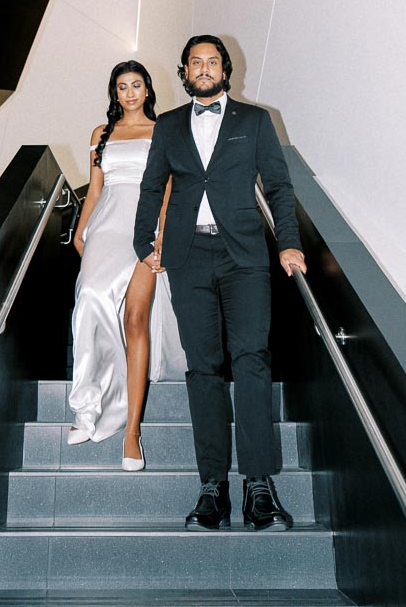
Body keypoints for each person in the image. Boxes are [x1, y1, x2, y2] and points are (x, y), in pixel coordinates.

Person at [133, 35, 307, 530]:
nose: (204, 69)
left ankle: (258, 485)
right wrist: (143, 242)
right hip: (187, 257)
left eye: (213, 61)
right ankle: (212, 486)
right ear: (185, 72)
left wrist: (288, 242)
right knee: (203, 368)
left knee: (251, 359)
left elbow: (278, 185)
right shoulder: (169, 125)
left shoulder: (254, 121)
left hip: (244, 257)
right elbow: (151, 185)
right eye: (196, 62)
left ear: (226, 70)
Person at [69, 60, 185, 470]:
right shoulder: (100, 134)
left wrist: (163, 235)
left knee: (135, 320)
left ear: (147, 90)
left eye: (136, 85)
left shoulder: (163, 131)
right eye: (122, 86)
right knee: (89, 300)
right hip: (105, 228)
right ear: (114, 93)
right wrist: (80, 232)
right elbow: (95, 189)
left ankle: (131, 431)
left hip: (144, 228)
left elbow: (169, 191)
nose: (130, 93)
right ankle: (87, 406)